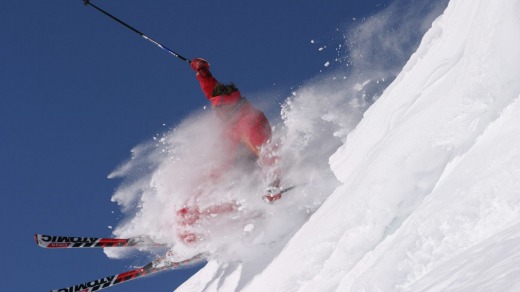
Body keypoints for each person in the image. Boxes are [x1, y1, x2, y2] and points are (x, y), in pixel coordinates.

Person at [189, 58, 282, 201]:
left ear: (228, 107)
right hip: (235, 161)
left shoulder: (248, 122)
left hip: (252, 165)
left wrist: (273, 183)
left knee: (229, 160)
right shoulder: (228, 112)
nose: (216, 112)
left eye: (220, 108)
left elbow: (266, 150)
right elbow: (210, 88)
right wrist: (202, 71)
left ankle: (253, 193)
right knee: (217, 157)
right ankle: (200, 200)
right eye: (216, 107)